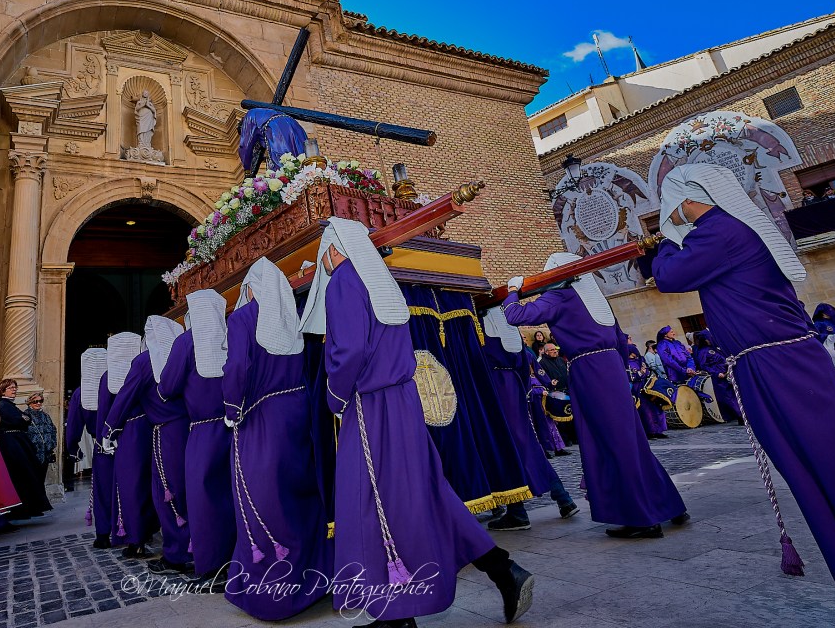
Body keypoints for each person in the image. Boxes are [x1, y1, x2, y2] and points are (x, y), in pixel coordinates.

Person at [651, 163, 835, 625]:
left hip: (775, 366)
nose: (670, 217)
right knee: (824, 476)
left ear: (684, 199)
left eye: (669, 209)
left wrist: (663, 245)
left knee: (830, 477)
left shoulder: (714, 232)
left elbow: (670, 277)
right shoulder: (731, 228)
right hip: (773, 362)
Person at [301, 219, 534, 625]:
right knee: (425, 495)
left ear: (332, 250)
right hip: (403, 402)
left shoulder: (342, 279)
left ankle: (396, 614)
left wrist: (335, 396)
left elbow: (350, 349)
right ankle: (502, 570)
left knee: (375, 501)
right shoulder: (378, 280)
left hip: (370, 405)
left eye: (322, 256)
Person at [504, 251, 687, 540]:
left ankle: (642, 518)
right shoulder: (595, 300)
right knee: (632, 440)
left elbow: (515, 315)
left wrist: (513, 291)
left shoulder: (559, 298)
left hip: (589, 369)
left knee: (612, 442)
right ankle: (670, 505)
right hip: (611, 365)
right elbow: (619, 339)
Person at [225, 257, 330, 620]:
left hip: (261, 420)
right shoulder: (292, 318)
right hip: (297, 414)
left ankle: (272, 594)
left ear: (250, 287)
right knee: (300, 498)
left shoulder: (241, 318)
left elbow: (236, 367)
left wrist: (230, 407)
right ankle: (315, 580)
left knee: (262, 501)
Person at [158, 289, 235, 582]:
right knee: (232, 494)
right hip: (233, 425)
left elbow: (167, 386)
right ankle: (235, 558)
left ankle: (211, 566)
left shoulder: (186, 342)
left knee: (203, 500)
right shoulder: (230, 334)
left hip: (203, 429)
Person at [481, 306, 579, 531]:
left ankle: (517, 512)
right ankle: (563, 498)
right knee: (528, 447)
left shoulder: (484, 331)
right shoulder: (513, 335)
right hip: (515, 388)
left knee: (507, 449)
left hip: (496, 388)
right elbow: (525, 362)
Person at [120, 315, 193, 576]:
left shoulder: (143, 361)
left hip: (165, 432)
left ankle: (176, 553)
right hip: (190, 428)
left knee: (168, 494)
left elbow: (125, 398)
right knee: (189, 491)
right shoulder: (186, 351)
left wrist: (109, 428)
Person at [102, 332, 157, 559]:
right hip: (154, 427)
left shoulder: (136, 366)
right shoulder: (156, 359)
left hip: (132, 430)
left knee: (132, 486)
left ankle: (136, 539)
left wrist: (108, 429)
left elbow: (122, 399)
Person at [0, 380, 52, 518]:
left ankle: (30, 507)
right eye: (10, 388)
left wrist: (24, 419)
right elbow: (19, 420)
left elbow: (27, 420)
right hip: (12, 444)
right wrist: (23, 419)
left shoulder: (9, 405)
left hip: (18, 442)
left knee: (28, 474)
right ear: (2, 390)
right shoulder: (3, 405)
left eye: (15, 387)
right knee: (21, 474)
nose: (14, 390)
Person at [76, 349, 114, 547]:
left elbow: (75, 422)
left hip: (100, 446)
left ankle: (103, 534)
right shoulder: (116, 384)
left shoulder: (80, 392)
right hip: (121, 441)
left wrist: (73, 448)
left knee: (103, 492)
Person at [693, 331, 743, 424]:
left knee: (736, 394)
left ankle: (742, 414)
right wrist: (716, 373)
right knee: (728, 397)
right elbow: (704, 365)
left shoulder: (716, 348)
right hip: (719, 376)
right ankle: (739, 416)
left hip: (728, 372)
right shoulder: (703, 351)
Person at [25, 394, 57, 480]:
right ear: (30, 403)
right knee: (33, 479)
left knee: (42, 478)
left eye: (40, 401)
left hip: (46, 454)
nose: (38, 403)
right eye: (35, 401)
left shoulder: (46, 416)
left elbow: (53, 430)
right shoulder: (26, 416)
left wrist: (52, 444)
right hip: (33, 454)